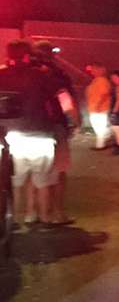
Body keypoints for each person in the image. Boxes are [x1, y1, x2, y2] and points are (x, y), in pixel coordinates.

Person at [0, 40, 60, 228]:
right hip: (40, 134)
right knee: (42, 181)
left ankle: (15, 219)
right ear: (28, 55)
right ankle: (42, 218)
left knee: (14, 182)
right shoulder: (41, 75)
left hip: (9, 136)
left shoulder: (1, 75)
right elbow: (57, 100)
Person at [31, 41, 77, 224]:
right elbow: (65, 99)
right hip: (55, 126)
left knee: (34, 172)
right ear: (52, 54)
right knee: (58, 170)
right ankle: (57, 213)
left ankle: (33, 212)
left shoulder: (26, 72)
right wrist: (74, 120)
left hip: (26, 127)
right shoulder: (56, 74)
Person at [84, 62, 113, 150]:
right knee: (98, 127)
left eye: (94, 70)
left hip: (99, 108)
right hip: (94, 108)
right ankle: (104, 139)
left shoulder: (102, 81)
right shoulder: (97, 81)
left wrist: (97, 105)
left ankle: (100, 144)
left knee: (99, 127)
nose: (92, 72)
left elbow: (103, 94)